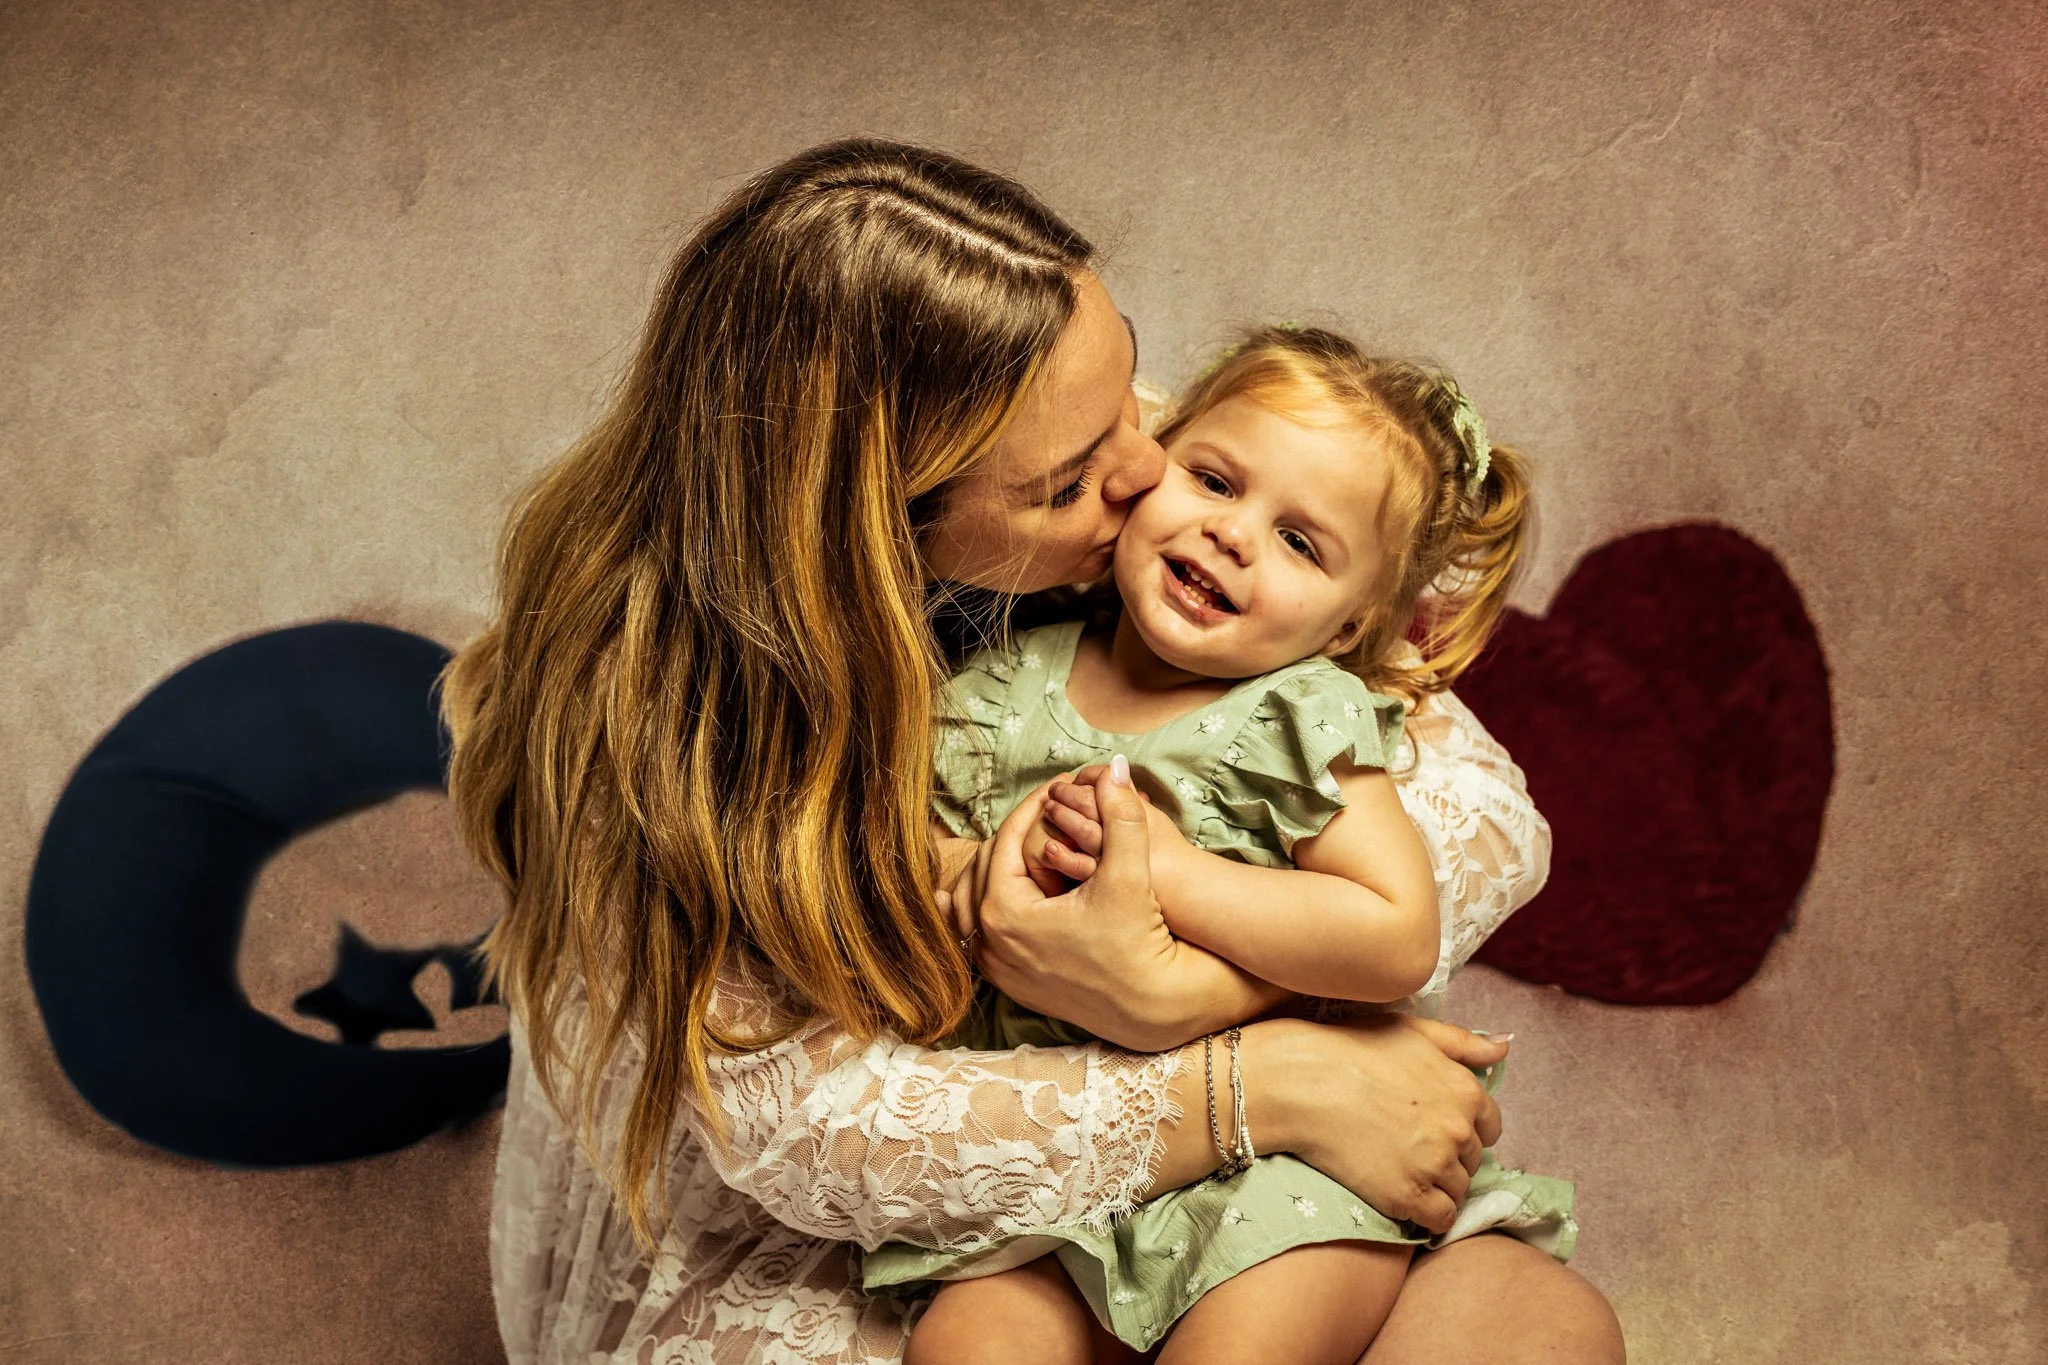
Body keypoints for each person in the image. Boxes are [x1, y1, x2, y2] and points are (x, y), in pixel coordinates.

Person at [443, 138, 1624, 1364]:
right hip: (881, 1191)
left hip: (1209, 1143)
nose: (1149, 467)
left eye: (1129, 395)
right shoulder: (664, 720)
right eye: (1069, 482)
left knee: (1535, 1330)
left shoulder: (1145, 492)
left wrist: (1180, 981)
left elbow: (1472, 809)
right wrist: (1251, 1079)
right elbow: (811, 1134)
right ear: (883, 530)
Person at [872, 327, 1576, 1362]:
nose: (1232, 535)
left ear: (1348, 625)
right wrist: (975, 875)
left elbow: (1390, 936)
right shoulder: (992, 686)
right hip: (1079, 1148)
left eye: (1300, 543)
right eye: (1212, 479)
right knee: (965, 1346)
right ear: (1147, 464)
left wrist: (1172, 873)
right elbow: (896, 886)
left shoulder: (1295, 716)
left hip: (1290, 1163)